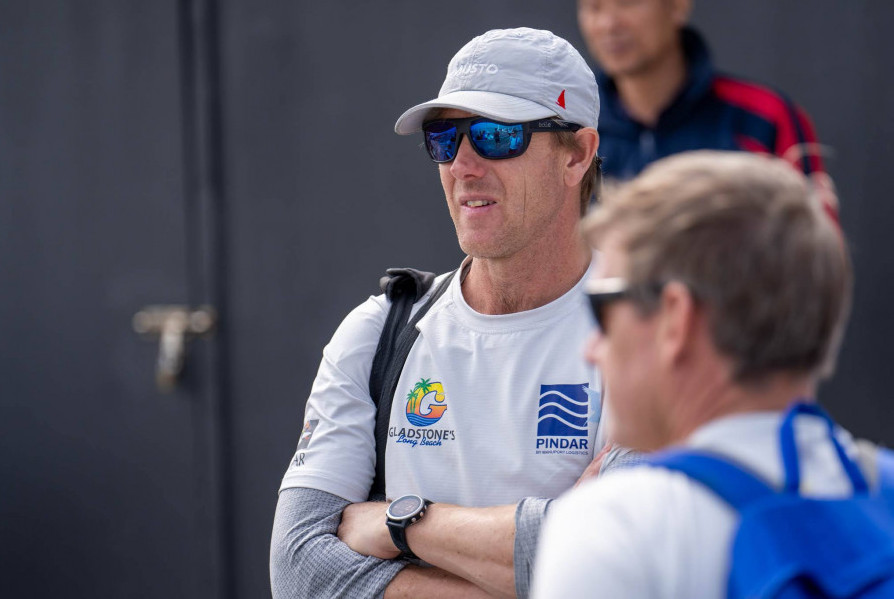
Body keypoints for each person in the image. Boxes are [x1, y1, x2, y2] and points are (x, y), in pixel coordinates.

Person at [271, 27, 609, 598]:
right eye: (444, 138)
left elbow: (618, 569)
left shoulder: (647, 336)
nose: (464, 166)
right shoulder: (380, 330)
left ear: (576, 154)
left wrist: (399, 523)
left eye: (497, 136)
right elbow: (300, 573)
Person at [531, 151, 863, 598]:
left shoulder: (616, 526)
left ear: (675, 319)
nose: (592, 348)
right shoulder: (882, 490)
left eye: (603, 308)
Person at [576, 0, 839, 220]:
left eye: (627, 2)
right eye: (593, 7)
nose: (608, 24)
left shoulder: (763, 119)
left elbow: (815, 262)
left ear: (678, 6)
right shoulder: (572, 129)